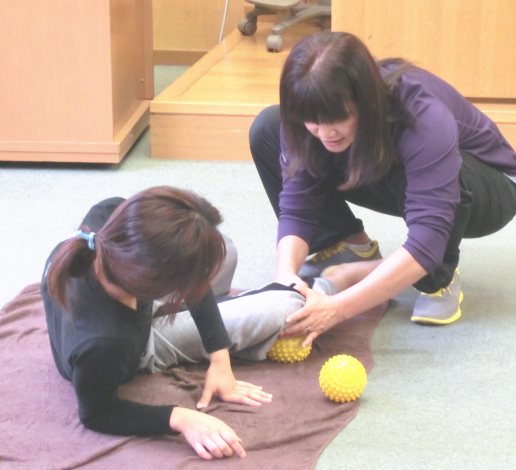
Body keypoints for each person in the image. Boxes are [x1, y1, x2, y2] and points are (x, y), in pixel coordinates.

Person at [42, 186, 350, 461]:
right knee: (290, 305)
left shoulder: (108, 221)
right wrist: (181, 418)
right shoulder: (106, 344)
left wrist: (220, 356)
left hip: (127, 302)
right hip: (137, 344)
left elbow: (192, 274)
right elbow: (97, 412)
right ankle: (332, 280)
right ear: (160, 284)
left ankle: (223, 287)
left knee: (222, 247)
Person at [249, 31, 516, 346]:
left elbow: (428, 238)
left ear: (365, 99)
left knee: (412, 171)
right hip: (385, 165)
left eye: (337, 118)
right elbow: (297, 206)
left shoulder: (421, 116)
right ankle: (350, 249)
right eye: (313, 121)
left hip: (490, 187)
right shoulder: (311, 119)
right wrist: (285, 277)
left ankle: (435, 280)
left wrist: (337, 308)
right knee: (268, 127)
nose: (324, 132)